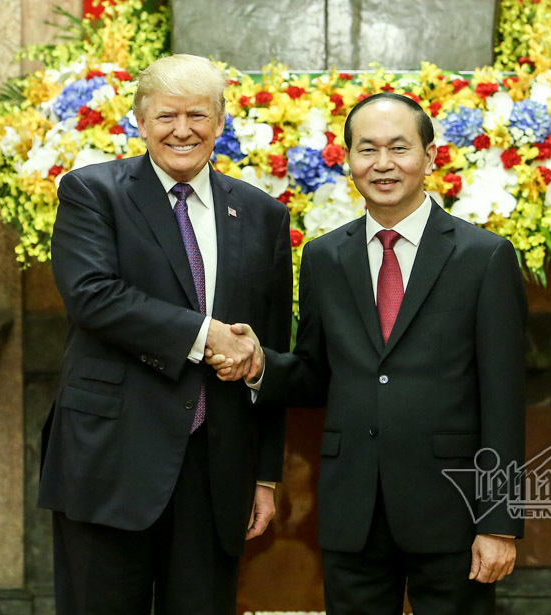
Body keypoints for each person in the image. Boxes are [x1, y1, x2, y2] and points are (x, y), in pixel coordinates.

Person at [210, 92, 527, 614]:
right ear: (349, 160)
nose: (383, 164)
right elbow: (315, 375)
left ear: (429, 157)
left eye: (399, 148)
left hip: (452, 509)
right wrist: (260, 363)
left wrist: (498, 522)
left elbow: (504, 399)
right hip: (352, 508)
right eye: (367, 149)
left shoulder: (483, 257)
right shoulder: (324, 257)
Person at [37, 54, 292, 615]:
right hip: (110, 459)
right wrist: (207, 336)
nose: (182, 130)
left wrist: (265, 476)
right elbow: (92, 296)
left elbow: (269, 353)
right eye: (166, 116)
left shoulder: (262, 214)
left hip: (215, 469)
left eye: (197, 115)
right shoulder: (92, 193)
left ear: (220, 121)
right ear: (140, 120)